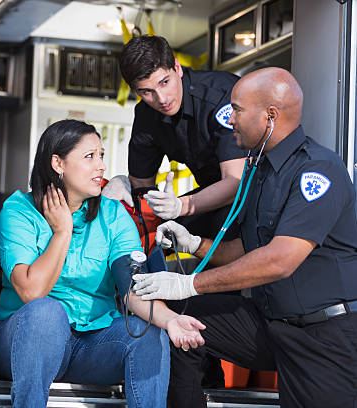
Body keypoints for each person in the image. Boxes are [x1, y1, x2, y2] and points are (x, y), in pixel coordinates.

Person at [131, 68, 357, 408]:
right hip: (272, 325)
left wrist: (191, 283)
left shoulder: (317, 171)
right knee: (180, 318)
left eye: (236, 109)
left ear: (270, 117)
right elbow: (245, 250)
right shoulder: (260, 171)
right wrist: (191, 243)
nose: (228, 118)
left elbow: (280, 259)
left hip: (323, 335)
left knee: (186, 296)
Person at [0, 119, 206, 408]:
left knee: (150, 333)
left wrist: (170, 320)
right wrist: (62, 231)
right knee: (46, 312)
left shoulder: (114, 216)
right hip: (22, 344)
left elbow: (131, 288)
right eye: (90, 157)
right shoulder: (19, 211)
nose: (101, 166)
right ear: (58, 163)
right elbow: (31, 292)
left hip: (88, 345)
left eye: (101, 155)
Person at [103, 35, 246, 241]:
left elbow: (236, 184)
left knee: (219, 229)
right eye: (147, 91)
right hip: (209, 196)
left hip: (257, 194)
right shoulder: (146, 116)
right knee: (155, 237)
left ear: (177, 68)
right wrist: (121, 190)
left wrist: (179, 206)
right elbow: (142, 188)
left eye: (164, 82)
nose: (161, 99)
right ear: (136, 91)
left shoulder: (219, 97)